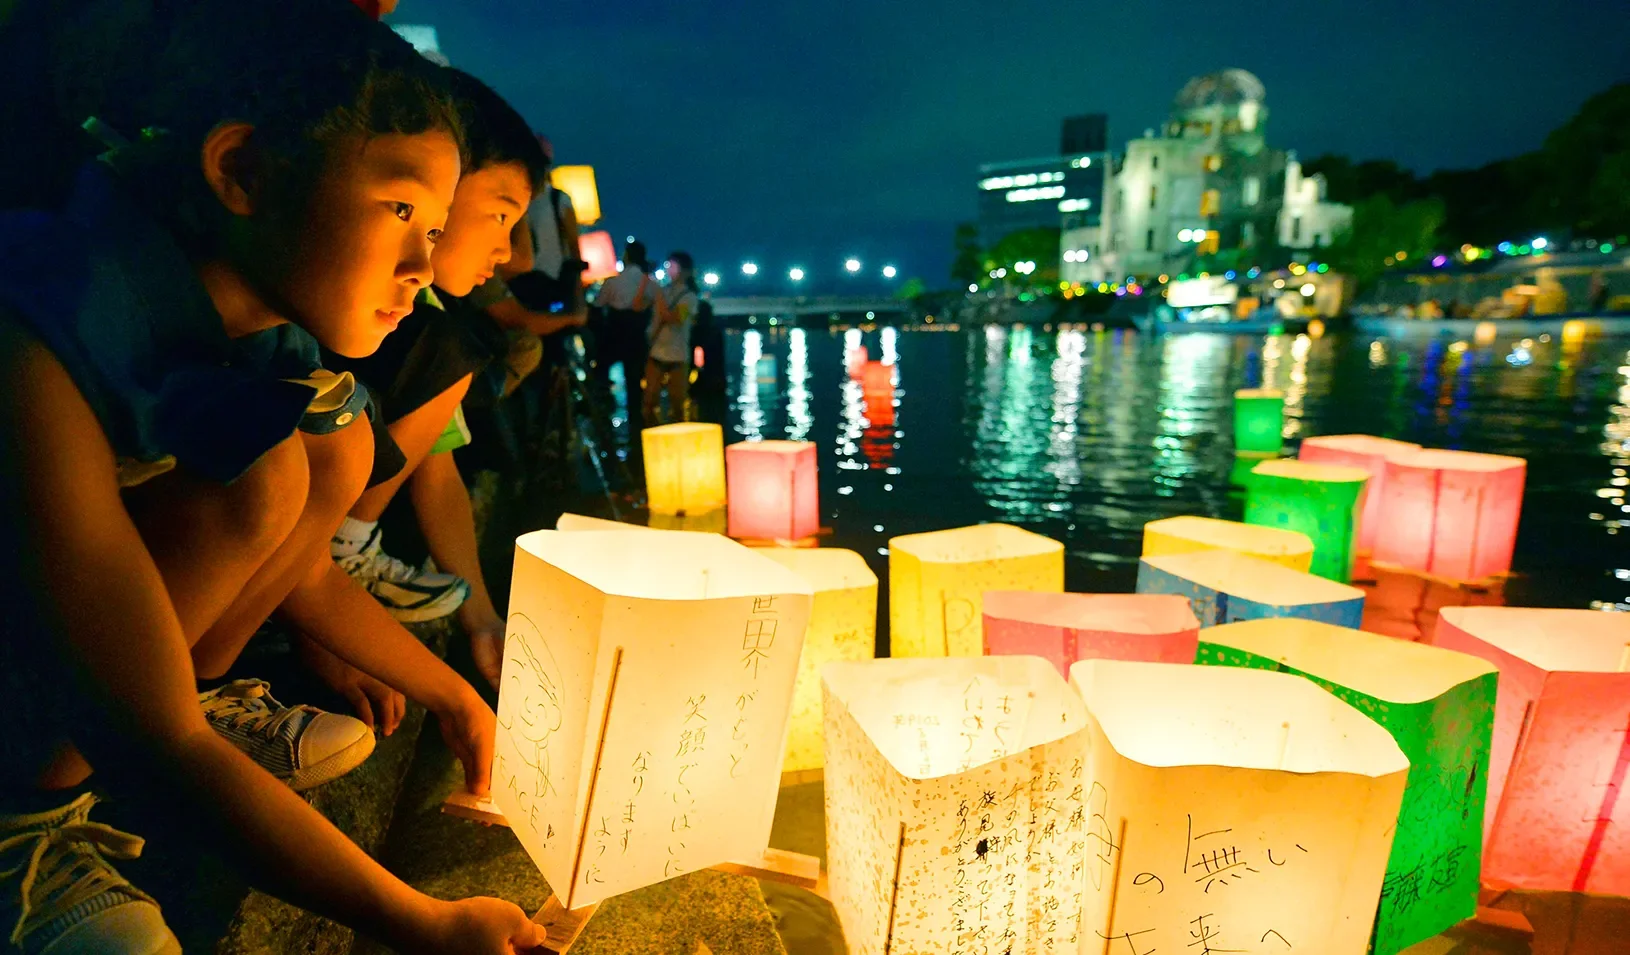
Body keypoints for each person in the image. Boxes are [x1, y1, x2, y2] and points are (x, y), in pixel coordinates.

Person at [0, 3, 539, 951]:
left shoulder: (255, 336)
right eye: (400, 210)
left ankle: (190, 688)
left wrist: (456, 697)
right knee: (268, 471)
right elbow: (160, 737)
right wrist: (425, 920)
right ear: (243, 170)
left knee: (319, 447)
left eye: (437, 225)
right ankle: (21, 825)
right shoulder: (38, 340)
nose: (423, 264)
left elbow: (309, 575)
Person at [318, 68, 548, 697]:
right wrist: (328, 625)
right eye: (499, 217)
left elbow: (435, 469)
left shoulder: (431, 315)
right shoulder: (419, 328)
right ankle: (342, 549)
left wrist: (481, 617)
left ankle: (342, 552)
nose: (508, 252)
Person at [592, 239, 656, 408]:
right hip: (637, 337)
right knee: (634, 384)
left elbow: (598, 304)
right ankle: (636, 418)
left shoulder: (613, 282)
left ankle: (603, 405)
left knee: (602, 370)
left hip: (614, 335)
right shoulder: (649, 283)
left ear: (626, 256)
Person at [643, 251, 700, 425]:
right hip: (657, 351)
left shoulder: (689, 297)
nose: (670, 270)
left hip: (678, 354)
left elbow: (674, 318)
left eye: (674, 267)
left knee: (677, 402)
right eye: (668, 266)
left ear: (685, 271)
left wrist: (658, 296)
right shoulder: (663, 291)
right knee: (649, 399)